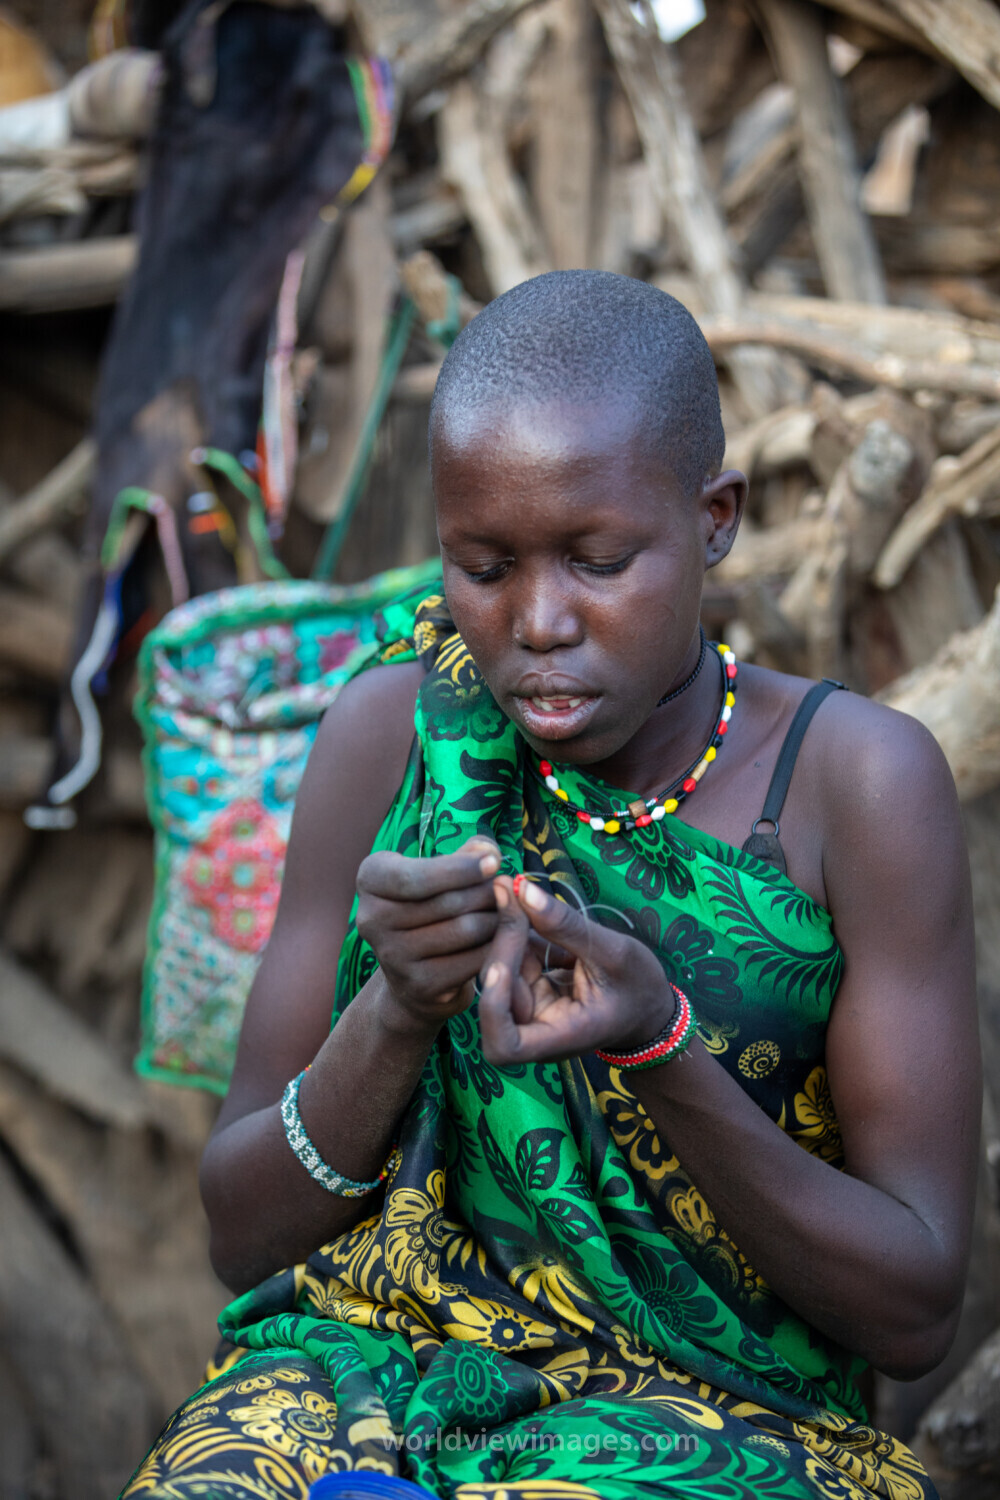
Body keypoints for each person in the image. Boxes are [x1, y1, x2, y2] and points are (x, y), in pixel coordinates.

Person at [122, 272, 980, 1500]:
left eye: (596, 561)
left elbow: (913, 1312)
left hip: (724, 1416)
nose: (536, 621)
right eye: (482, 566)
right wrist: (396, 1012)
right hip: (369, 1368)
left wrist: (660, 1047)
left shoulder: (856, 786)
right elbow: (240, 1236)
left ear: (716, 518)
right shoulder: (392, 735)